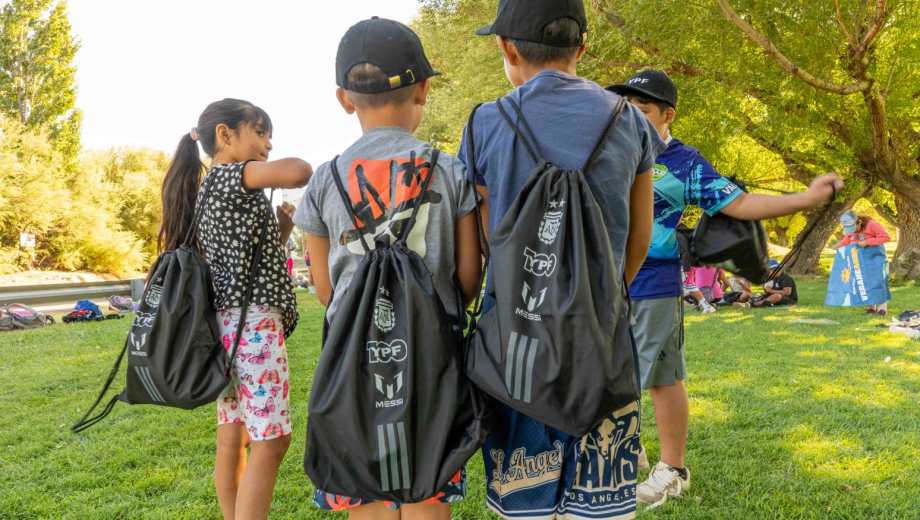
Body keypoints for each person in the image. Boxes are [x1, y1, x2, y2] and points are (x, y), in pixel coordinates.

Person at [460, 1, 663, 517]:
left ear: (507, 47)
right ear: (583, 47)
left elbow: (488, 237)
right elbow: (639, 234)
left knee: (524, 503)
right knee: (600, 506)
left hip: (516, 342)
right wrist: (604, 287)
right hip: (602, 336)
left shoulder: (486, 122)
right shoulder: (630, 121)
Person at [608, 69, 843, 507]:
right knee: (604, 371)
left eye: (640, 111)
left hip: (653, 282)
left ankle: (673, 470)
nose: (630, 119)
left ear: (667, 115)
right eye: (624, 110)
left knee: (660, 377)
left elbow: (738, 202)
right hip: (601, 282)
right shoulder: (606, 150)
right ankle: (624, 447)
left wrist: (806, 199)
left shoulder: (682, 161)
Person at [293, 17, 482, 520]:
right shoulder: (449, 170)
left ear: (344, 98)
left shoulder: (323, 182)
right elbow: (467, 279)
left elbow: (327, 292)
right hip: (432, 359)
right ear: (423, 88)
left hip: (354, 361)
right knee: (425, 487)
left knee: (367, 490)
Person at [157, 99, 312, 520]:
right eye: (259, 132)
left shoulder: (212, 186)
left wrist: (279, 228)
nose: (268, 142)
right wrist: (268, 168)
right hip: (254, 327)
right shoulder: (231, 175)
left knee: (234, 435)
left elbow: (246, 261)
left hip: (227, 325)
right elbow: (300, 170)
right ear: (225, 136)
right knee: (271, 440)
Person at [836, 211, 892, 315]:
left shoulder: (872, 225)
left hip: (876, 257)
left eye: (853, 228)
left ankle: (882, 308)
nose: (852, 231)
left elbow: (886, 237)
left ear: (859, 222)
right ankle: (871, 307)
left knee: (878, 281)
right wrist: (837, 247)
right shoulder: (851, 231)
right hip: (861, 259)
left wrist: (867, 242)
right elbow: (847, 239)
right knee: (864, 282)